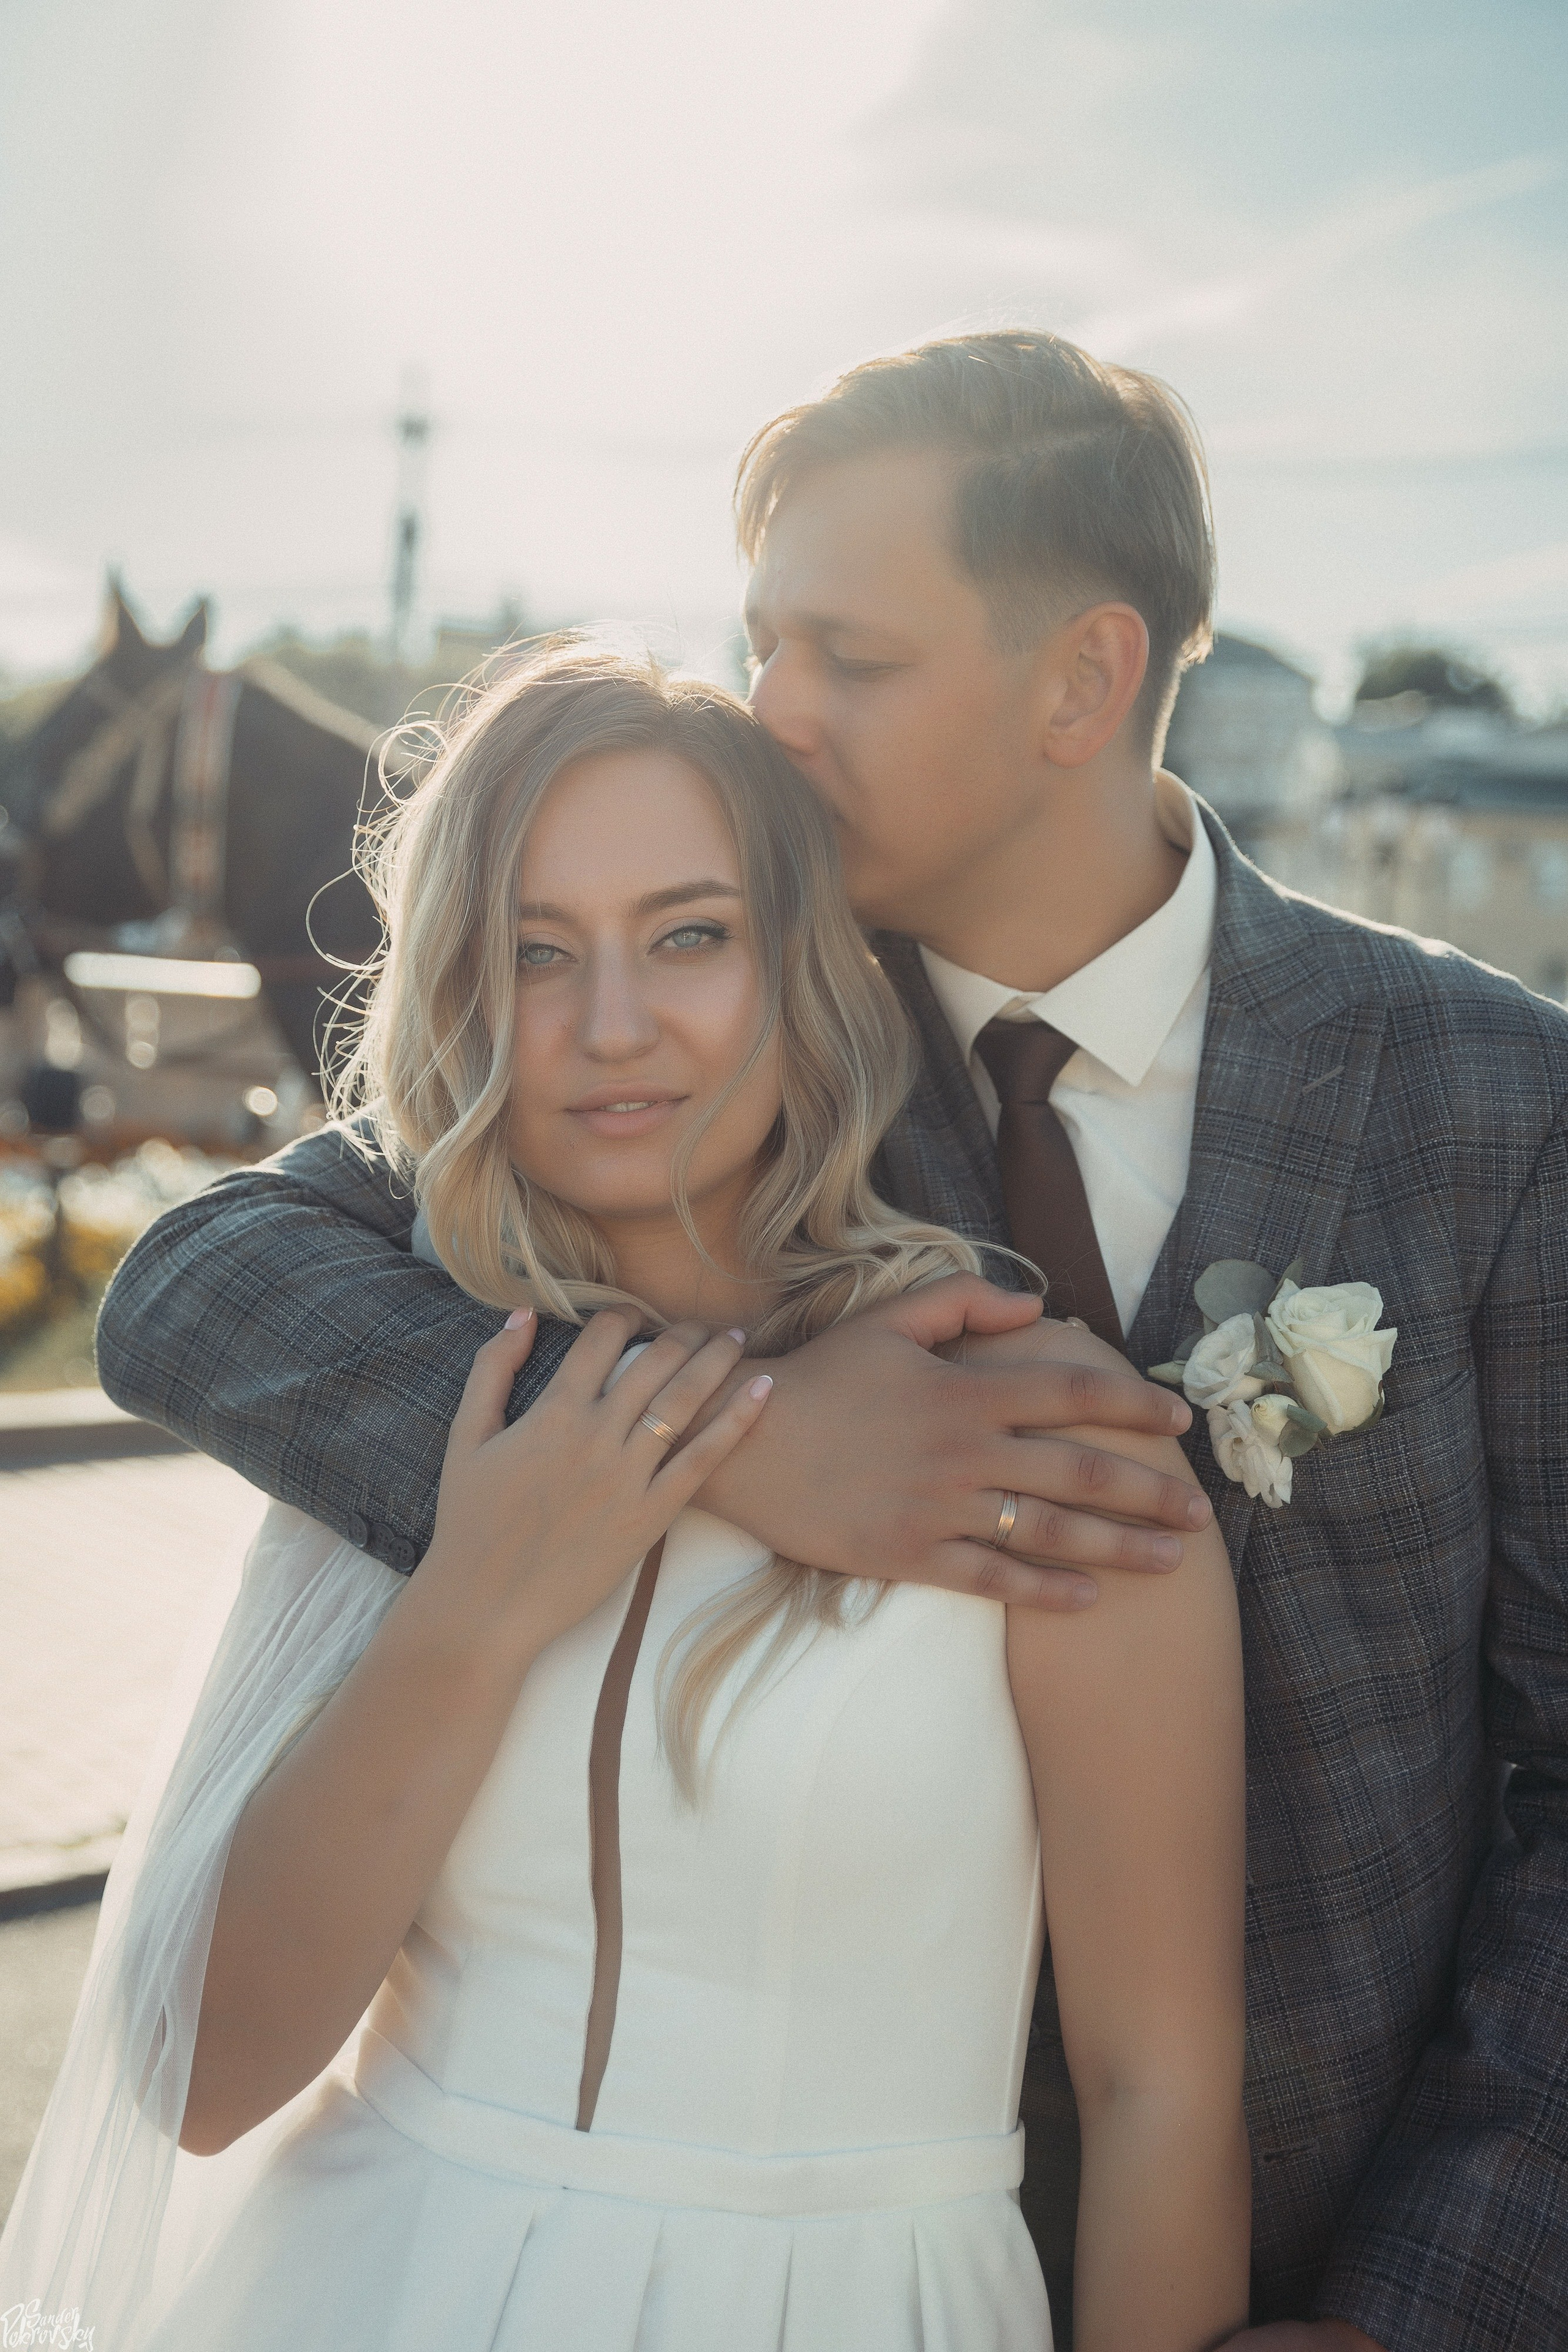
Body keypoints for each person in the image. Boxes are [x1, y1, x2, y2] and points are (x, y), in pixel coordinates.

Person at [89, 328, 1568, 2350]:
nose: (770, 711)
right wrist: (732, 1436)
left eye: (848, 657)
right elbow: (204, 1276)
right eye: (762, 638)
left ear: (1084, 679)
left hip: (1284, 2244)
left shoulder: (1492, 1097)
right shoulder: (724, 1033)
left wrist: (1432, 2306)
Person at [0, 647, 1247, 2352]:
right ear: (460, 990)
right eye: (535, 951)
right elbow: (204, 2083)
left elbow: (1161, 2090)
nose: (609, 1027)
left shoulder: (1034, 1440)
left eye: (689, 936)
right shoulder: (435, 1400)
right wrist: (480, 1600)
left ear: (803, 963)